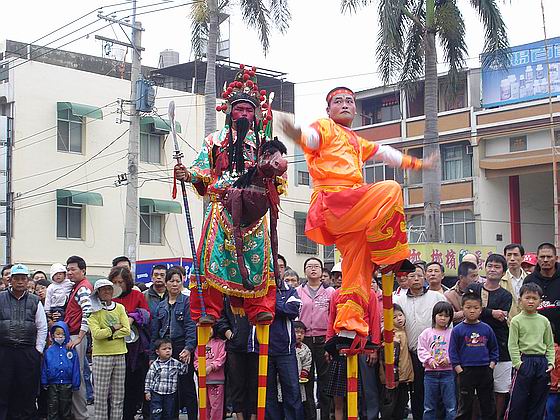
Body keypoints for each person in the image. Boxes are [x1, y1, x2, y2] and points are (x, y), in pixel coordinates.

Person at [282, 87, 433, 351]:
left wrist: (417, 164)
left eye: (349, 101)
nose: (345, 105)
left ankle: (348, 326)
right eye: (338, 101)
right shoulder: (325, 127)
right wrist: (296, 133)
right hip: (335, 200)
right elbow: (312, 138)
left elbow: (386, 152)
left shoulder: (356, 140)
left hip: (353, 214)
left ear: (355, 109)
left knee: (357, 270)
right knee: (390, 189)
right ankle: (389, 257)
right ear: (328, 109)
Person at [174, 65, 282, 326]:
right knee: (208, 257)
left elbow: (279, 175)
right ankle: (207, 310)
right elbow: (203, 171)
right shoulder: (215, 140)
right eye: (239, 109)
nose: (244, 113)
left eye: (248, 109)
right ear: (230, 112)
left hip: (253, 210)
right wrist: (187, 175)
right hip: (221, 206)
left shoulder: (263, 142)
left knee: (261, 258)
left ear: (255, 113)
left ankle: (259, 308)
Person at [325, 277, 381, 420]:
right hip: (341, 342)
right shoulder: (337, 294)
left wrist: (374, 347)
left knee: (367, 385)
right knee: (342, 387)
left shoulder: (369, 292)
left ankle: (370, 417)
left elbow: (375, 319)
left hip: (363, 341)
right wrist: (329, 344)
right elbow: (331, 319)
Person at [395, 265, 446, 419]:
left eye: (418, 275)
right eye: (411, 276)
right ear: (405, 278)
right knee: (416, 391)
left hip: (435, 353)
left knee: (437, 391)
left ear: (424, 277)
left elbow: (447, 325)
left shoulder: (437, 297)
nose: (415, 279)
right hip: (411, 354)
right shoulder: (398, 300)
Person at [0, 263, 48, 420]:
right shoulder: (0, 298)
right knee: (4, 387)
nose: (20, 282)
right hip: (5, 351)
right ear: (10, 280)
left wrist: (38, 349)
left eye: (23, 278)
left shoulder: (35, 301)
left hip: (28, 352)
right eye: (16, 279)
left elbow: (42, 327)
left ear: (28, 281)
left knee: (27, 388)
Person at [468, 254, 512, 418]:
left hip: (500, 345)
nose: (493, 269)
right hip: (475, 344)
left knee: (500, 390)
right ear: (484, 268)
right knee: (476, 390)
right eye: (490, 265)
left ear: (503, 272)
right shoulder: (475, 288)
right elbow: (471, 310)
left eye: (497, 267)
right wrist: (492, 312)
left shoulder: (506, 296)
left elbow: (500, 318)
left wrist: (484, 313)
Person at [151, 268, 197, 418]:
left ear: (183, 281)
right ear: (166, 283)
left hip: (182, 347)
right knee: (170, 388)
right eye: (171, 281)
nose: (175, 284)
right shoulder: (161, 305)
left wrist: (189, 348)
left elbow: (191, 327)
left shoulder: (187, 302)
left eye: (178, 281)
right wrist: (153, 354)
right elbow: (155, 332)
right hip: (165, 349)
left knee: (187, 386)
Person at [254, 280, 303, 420]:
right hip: (262, 348)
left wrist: (269, 303)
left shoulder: (290, 290)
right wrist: (280, 307)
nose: (276, 269)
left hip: (285, 349)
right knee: (267, 394)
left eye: (280, 266)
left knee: (292, 392)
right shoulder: (257, 288)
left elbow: (293, 310)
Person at [505, 283, 555, 419]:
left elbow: (549, 344)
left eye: (535, 298)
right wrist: (518, 364)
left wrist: (550, 362)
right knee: (518, 401)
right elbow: (513, 344)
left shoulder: (544, 321)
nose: (531, 301)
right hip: (524, 360)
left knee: (538, 401)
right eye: (527, 297)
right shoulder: (516, 321)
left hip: (541, 362)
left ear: (540, 301)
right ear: (520, 300)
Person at [296, 257, 335, 420]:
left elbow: (334, 316)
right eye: (309, 266)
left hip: (323, 339)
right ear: (304, 271)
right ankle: (310, 416)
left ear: (322, 271)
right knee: (306, 379)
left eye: (316, 266)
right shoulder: (297, 291)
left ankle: (326, 415)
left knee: (325, 381)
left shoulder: (330, 292)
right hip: (303, 340)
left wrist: (331, 341)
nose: (313, 269)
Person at [111, 266, 151, 420]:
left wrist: (133, 316)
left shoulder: (137, 295)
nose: (118, 285)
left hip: (135, 347)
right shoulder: (109, 296)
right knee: (118, 385)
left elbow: (147, 315)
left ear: (127, 282)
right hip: (115, 344)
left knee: (135, 382)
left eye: (120, 282)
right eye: (115, 282)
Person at [449, 292, 499, 420]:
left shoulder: (486, 328)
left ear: (481, 309)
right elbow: (453, 352)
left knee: (488, 404)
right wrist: (460, 370)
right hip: (466, 371)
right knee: (465, 405)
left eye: (476, 308)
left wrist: (491, 367)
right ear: (462, 308)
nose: (472, 311)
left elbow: (494, 350)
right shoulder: (457, 330)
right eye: (468, 307)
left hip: (484, 370)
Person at [88, 279, 130, 420]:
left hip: (120, 353)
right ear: (98, 293)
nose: (107, 291)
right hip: (101, 355)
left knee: (118, 395)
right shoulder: (93, 311)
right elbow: (97, 334)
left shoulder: (120, 308)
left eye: (109, 289)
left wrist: (110, 335)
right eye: (103, 289)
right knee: (101, 395)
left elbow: (127, 330)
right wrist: (113, 328)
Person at [215, 294, 257, 420]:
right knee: (237, 384)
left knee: (254, 384)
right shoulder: (227, 295)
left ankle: (254, 417)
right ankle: (239, 417)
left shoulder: (257, 292)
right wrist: (230, 335)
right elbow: (220, 318)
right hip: (235, 347)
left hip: (255, 346)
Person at [64, 255, 92, 420]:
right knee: (75, 374)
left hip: (76, 336)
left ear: (83, 270)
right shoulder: (76, 287)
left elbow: (87, 312)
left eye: (73, 269)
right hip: (73, 335)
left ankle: (81, 415)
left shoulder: (83, 288)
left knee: (78, 375)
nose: (69, 272)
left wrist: (80, 336)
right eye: (68, 269)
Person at [417, 301, 456, 420]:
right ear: (434, 316)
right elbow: (421, 348)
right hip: (430, 374)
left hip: (448, 373)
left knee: (451, 406)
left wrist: (449, 359)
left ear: (450, 318)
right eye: (440, 315)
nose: (443, 318)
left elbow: (456, 350)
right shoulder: (426, 333)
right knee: (429, 406)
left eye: (446, 316)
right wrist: (429, 359)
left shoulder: (452, 333)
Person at [379, 304, 414, 420]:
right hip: (394, 379)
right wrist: (394, 378)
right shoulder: (392, 336)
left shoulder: (403, 332)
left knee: (402, 404)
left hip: (403, 378)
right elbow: (391, 360)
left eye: (400, 315)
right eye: (394, 317)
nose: (399, 319)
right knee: (390, 407)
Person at [41, 321, 81, 420]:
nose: (60, 336)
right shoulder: (49, 351)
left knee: (65, 407)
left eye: (63, 334)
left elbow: (76, 367)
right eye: (58, 334)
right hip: (52, 384)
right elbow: (44, 367)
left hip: (67, 384)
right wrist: (44, 381)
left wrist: (76, 383)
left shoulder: (71, 350)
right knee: (52, 407)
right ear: (53, 335)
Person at [145, 338, 188, 420]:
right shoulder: (155, 365)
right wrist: (147, 392)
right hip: (157, 393)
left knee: (168, 414)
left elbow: (183, 371)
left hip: (170, 394)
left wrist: (184, 362)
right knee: (156, 413)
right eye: (164, 349)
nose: (167, 351)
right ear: (157, 352)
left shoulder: (175, 363)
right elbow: (149, 379)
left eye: (169, 348)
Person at [523, 242, 560, 336]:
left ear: (556, 258)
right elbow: (525, 308)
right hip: (536, 334)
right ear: (537, 259)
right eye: (542, 257)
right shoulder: (529, 280)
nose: (546, 260)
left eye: (549, 257)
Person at [194, 328, 226, 420]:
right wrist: (199, 368)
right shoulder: (200, 344)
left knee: (216, 406)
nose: (208, 330)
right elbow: (196, 360)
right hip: (203, 381)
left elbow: (221, 358)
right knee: (204, 405)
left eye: (211, 327)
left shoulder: (220, 343)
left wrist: (211, 367)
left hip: (216, 381)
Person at [501, 243, 527, 319]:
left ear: (522, 258)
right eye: (509, 255)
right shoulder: (500, 280)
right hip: (507, 324)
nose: (512, 258)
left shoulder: (530, 279)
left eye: (515, 255)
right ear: (505, 257)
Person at [292, 321, 312, 404]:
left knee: (299, 399)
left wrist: (303, 374)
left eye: (302, 333)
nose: (299, 335)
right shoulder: (286, 346)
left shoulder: (305, 349)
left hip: (300, 380)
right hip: (283, 380)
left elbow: (307, 363)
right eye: (296, 332)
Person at [546, 327, 560, 420]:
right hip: (543, 387)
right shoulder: (538, 350)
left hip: (554, 388)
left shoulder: (557, 350)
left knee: (551, 412)